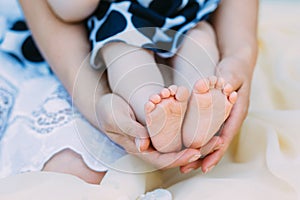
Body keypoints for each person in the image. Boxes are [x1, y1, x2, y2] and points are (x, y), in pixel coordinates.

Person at [19, 0, 258, 184]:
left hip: (186, 18)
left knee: (201, 46)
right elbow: (70, 9)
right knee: (129, 62)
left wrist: (238, 58)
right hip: (123, 22)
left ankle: (203, 106)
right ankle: (155, 113)